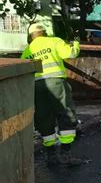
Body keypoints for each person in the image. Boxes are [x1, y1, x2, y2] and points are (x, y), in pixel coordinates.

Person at [21, 23, 81, 165]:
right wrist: (76, 43)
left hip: (36, 87)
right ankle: (66, 154)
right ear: (44, 32)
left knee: (43, 118)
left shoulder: (27, 50)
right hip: (56, 83)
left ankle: (51, 156)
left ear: (31, 36)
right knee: (65, 113)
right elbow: (71, 53)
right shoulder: (54, 41)